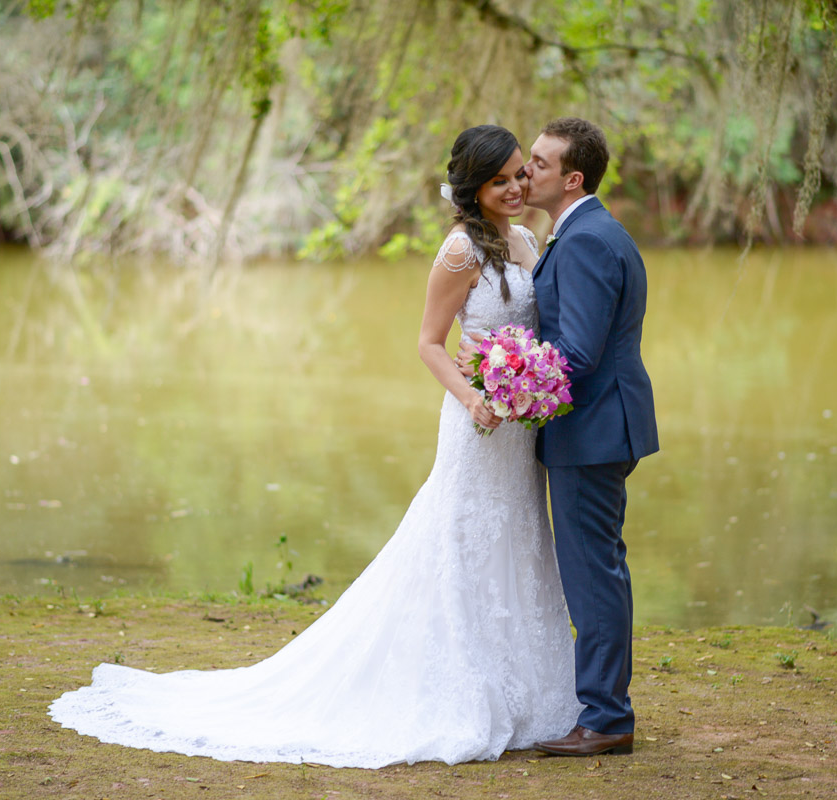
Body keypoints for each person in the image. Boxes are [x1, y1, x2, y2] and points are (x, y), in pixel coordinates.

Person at [47, 124, 582, 768]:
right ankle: (461, 689)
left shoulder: (527, 240)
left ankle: (523, 692)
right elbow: (429, 343)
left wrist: (526, 380)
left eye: (520, 173)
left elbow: (532, 328)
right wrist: (473, 396)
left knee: (518, 540)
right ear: (472, 188)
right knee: (464, 540)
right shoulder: (459, 252)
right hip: (477, 424)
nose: (516, 187)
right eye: (500, 179)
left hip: (518, 429)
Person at [515, 117, 659, 756]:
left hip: (592, 430)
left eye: (539, 164)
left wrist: (508, 385)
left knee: (593, 572)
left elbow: (577, 353)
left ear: (573, 178)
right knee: (598, 566)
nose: (527, 173)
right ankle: (604, 709)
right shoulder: (582, 233)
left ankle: (605, 719)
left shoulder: (587, 242)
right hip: (598, 426)